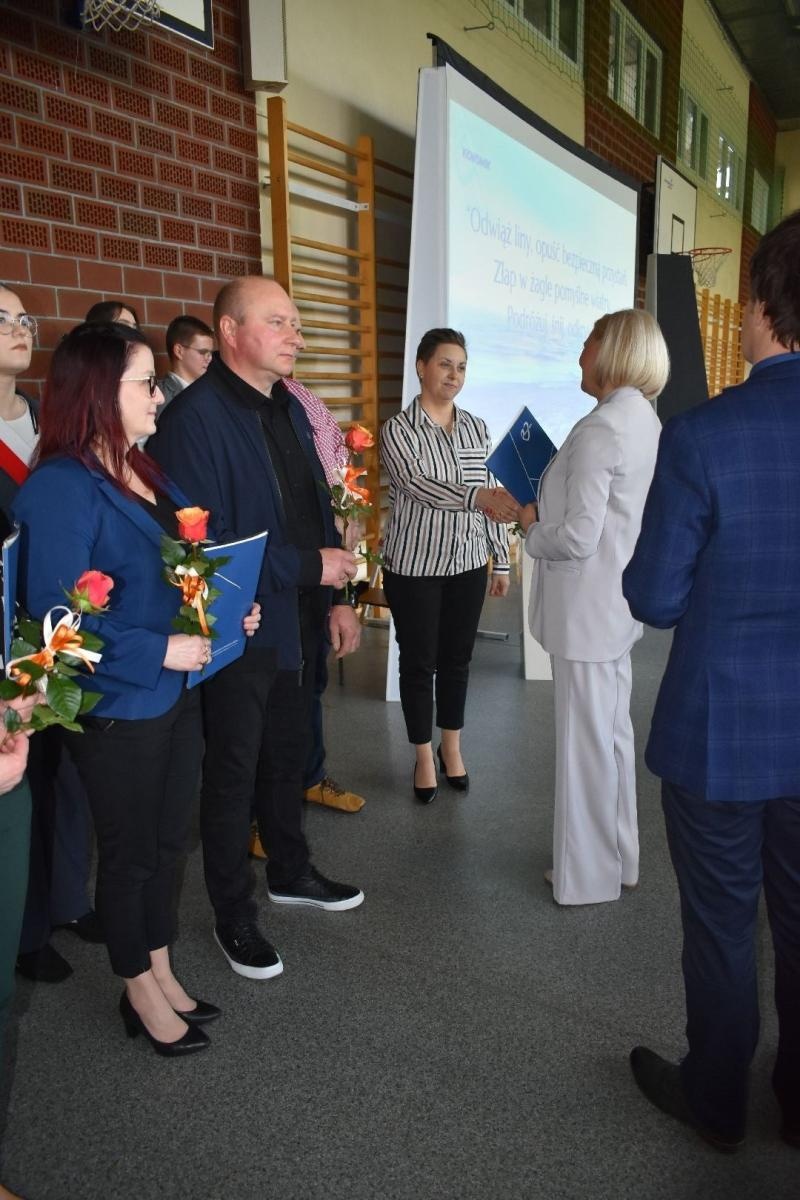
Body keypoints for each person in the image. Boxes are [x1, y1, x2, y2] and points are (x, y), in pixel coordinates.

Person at [14, 321, 258, 1056]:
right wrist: (159, 647)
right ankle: (137, 989)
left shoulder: (145, 469)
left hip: (173, 692)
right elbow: (55, 621)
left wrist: (224, 604)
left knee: (161, 843)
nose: (158, 395)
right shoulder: (60, 487)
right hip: (120, 700)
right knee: (127, 855)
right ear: (97, 393)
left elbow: (187, 564)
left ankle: (157, 965)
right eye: (145, 382)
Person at [622, 211, 800, 1152]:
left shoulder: (704, 435)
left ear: (763, 305)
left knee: (725, 927)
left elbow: (653, 597)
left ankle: (720, 1102)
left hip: (721, 731)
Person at [148, 276, 364, 983]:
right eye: (280, 322)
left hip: (300, 612)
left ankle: (291, 870)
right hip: (240, 625)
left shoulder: (291, 409)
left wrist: (338, 595)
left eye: (296, 323)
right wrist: (312, 566)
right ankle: (232, 912)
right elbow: (205, 547)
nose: (295, 335)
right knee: (234, 769)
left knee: (289, 752)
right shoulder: (194, 421)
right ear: (232, 332)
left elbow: (315, 508)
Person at [515, 309, 666, 904]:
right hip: (613, 606)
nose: (580, 356)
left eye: (587, 344)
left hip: (588, 609)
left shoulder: (604, 426)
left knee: (586, 748)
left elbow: (577, 536)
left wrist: (529, 525)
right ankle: (618, 857)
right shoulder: (641, 418)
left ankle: (587, 877)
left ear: (613, 352)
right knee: (611, 738)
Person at [0, 285, 100, 985]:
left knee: (68, 776)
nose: (17, 327)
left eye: (22, 317)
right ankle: (26, 926)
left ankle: (67, 899)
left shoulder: (43, 423)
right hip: (11, 644)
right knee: (26, 780)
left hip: (61, 633)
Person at [379, 328, 512, 804]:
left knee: (457, 661)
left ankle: (450, 748)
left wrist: (502, 561)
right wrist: (476, 496)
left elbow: (493, 495)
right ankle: (420, 754)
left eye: (461, 367)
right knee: (419, 663)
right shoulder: (399, 429)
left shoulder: (477, 427)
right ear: (421, 367)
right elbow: (417, 485)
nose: (453, 375)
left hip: (469, 561)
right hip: (414, 565)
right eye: (444, 364)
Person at [159, 315, 215, 409]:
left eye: (210, 353)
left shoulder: (211, 392)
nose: (209, 358)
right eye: (203, 352)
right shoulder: (159, 396)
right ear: (179, 351)